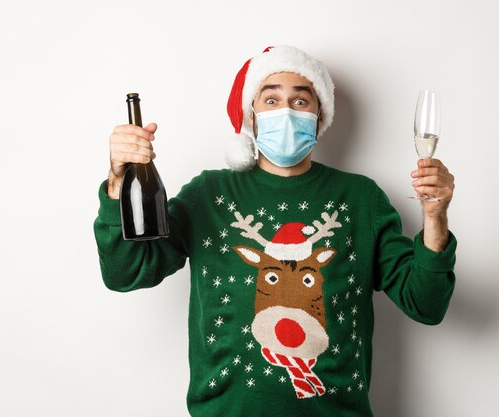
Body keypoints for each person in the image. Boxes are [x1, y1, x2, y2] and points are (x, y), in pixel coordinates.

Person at [94, 45, 457, 416]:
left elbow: (425, 304)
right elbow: (126, 273)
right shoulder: (208, 194)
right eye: (271, 99)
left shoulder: (362, 199)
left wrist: (435, 218)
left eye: (300, 101)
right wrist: (117, 182)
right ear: (252, 116)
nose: (286, 111)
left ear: (319, 117)